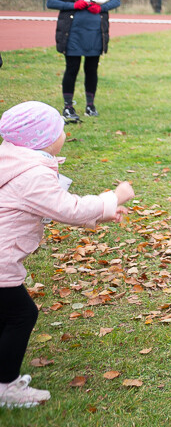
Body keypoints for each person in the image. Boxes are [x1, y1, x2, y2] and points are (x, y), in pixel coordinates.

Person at [0, 102, 134, 409]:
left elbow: (52, 207)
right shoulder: (32, 173)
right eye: (60, 128)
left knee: (6, 315)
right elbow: (67, 209)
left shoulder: (13, 158)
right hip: (1, 260)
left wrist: (102, 215)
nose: (63, 133)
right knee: (22, 315)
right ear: (43, 138)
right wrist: (113, 198)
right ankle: (5, 386)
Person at [45, 0, 122, 122]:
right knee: (72, 69)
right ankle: (68, 107)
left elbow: (116, 1)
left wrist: (100, 8)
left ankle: (90, 105)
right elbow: (51, 2)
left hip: (95, 34)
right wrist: (73, 5)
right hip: (72, 34)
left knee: (91, 70)